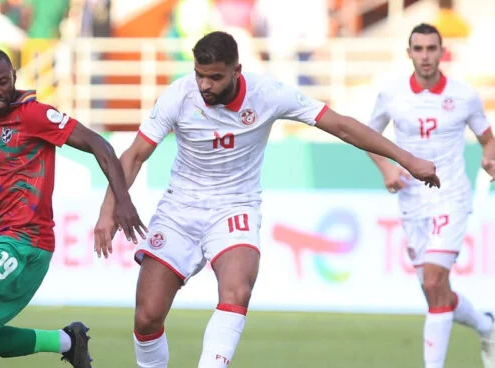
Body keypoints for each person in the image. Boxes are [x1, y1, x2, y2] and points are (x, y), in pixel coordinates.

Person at [93, 31, 440, 368]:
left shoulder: (268, 94)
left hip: (235, 207)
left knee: (237, 291)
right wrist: (109, 209)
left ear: (236, 71)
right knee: (147, 316)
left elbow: (342, 126)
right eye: (200, 75)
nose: (204, 86)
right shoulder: (179, 95)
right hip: (179, 209)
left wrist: (406, 159)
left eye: (214, 77)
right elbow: (134, 155)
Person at [0, 47, 147, 368]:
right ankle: (67, 341)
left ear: (14, 76)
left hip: (22, 242)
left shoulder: (35, 115)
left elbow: (99, 144)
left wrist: (122, 201)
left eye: (3, 82)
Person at [366, 23, 495, 368]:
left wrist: (490, 156)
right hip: (411, 202)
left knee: (436, 280)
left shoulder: (464, 95)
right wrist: (387, 168)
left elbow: (487, 138)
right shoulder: (392, 95)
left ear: (442, 52)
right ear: (409, 53)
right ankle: (487, 325)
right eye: (418, 49)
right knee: (434, 292)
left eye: (431, 48)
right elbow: (368, 136)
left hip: (451, 197)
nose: (425, 56)